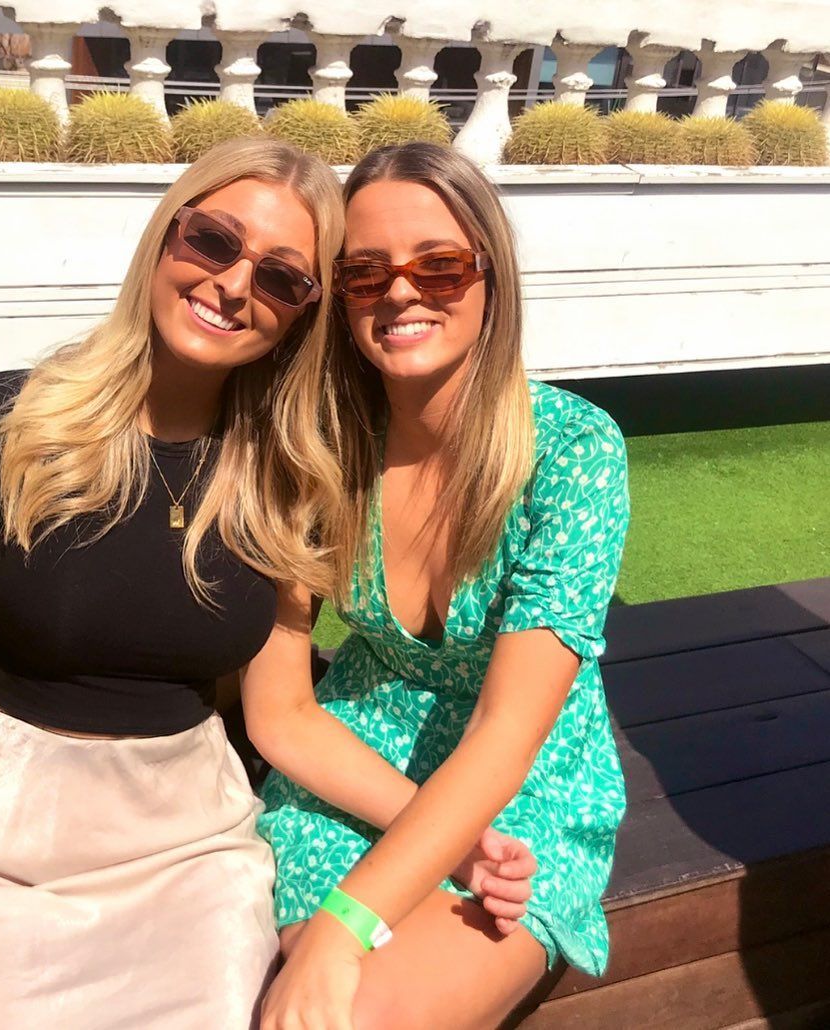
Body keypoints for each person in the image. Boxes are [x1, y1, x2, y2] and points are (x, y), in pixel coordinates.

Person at [0, 139, 534, 1030]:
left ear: (304, 314)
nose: (233, 284)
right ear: (166, 236)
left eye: (282, 278)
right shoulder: (5, 426)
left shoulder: (285, 478)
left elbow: (282, 716)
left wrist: (449, 839)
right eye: (214, 240)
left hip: (190, 845)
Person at [247, 142, 630, 1029]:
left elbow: (505, 732)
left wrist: (344, 928)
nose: (400, 292)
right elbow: (281, 713)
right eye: (366, 272)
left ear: (490, 276)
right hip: (353, 770)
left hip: (523, 790)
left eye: (440, 266)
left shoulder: (571, 451)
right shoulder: (314, 446)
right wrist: (431, 840)